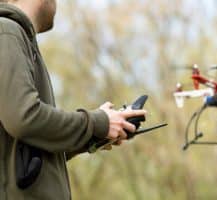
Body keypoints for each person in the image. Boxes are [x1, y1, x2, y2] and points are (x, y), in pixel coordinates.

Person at [0, 0, 146, 199]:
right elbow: (23, 118)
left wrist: (93, 135)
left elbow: (28, 149)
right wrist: (97, 122)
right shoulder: (6, 31)